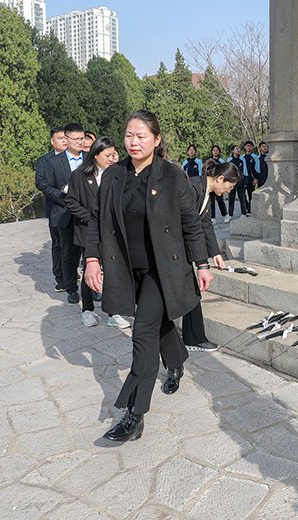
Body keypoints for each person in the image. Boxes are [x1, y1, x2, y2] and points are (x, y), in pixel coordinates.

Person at [85, 110, 213, 442]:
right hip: (127, 267)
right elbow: (97, 221)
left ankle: (135, 412)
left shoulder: (172, 176)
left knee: (143, 330)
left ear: (156, 140)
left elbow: (191, 224)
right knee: (159, 323)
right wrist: (93, 259)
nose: (134, 142)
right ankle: (177, 359)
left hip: (163, 268)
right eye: (129, 135)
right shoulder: (113, 176)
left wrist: (202, 264)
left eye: (141, 136)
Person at [65, 137, 130, 329]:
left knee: (112, 271)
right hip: (89, 231)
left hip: (113, 232)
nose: (112, 159)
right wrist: (91, 217)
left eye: (114, 155)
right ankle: (87, 310)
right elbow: (71, 202)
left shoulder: (119, 174)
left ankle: (113, 312)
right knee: (90, 269)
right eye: (107, 155)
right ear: (95, 155)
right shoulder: (80, 176)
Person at [182, 159, 241, 351]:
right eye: (229, 187)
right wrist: (202, 264)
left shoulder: (206, 191)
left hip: (181, 249)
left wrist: (214, 252)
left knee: (190, 293)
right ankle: (190, 339)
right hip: (172, 249)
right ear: (220, 179)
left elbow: (205, 224)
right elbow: (189, 226)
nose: (229, 191)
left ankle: (192, 338)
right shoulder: (192, 188)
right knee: (185, 293)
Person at [36, 122, 84, 304]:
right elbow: (44, 185)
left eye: (81, 138)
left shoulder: (89, 159)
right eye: (75, 139)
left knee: (89, 252)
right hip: (63, 212)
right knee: (67, 251)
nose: (79, 142)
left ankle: (91, 288)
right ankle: (69, 286)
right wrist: (63, 196)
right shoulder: (52, 162)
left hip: (86, 213)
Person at [35, 127, 67, 292]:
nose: (64, 140)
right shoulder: (44, 160)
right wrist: (60, 196)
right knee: (59, 244)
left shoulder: (77, 157)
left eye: (66, 137)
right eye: (60, 138)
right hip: (57, 207)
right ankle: (60, 278)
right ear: (52, 141)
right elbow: (41, 182)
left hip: (77, 207)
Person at [226, 145, 246, 221]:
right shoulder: (229, 160)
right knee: (231, 199)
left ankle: (244, 214)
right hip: (231, 182)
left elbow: (245, 171)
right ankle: (230, 215)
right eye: (236, 148)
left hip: (240, 182)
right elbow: (226, 171)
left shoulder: (242, 160)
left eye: (239, 148)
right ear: (233, 150)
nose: (238, 150)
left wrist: (245, 181)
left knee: (242, 198)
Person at [208, 145, 227, 223]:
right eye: (214, 150)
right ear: (212, 152)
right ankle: (212, 217)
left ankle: (225, 215)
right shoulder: (209, 161)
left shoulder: (222, 161)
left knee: (220, 200)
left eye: (217, 150)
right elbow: (206, 172)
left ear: (219, 152)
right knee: (211, 201)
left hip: (219, 184)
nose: (215, 152)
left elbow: (224, 172)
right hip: (211, 183)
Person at [242, 140, 259, 216]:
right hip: (243, 179)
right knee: (242, 195)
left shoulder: (255, 157)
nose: (249, 147)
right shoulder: (242, 157)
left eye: (250, 146)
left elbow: (257, 168)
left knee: (251, 195)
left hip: (251, 179)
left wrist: (256, 178)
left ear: (252, 147)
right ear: (245, 147)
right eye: (247, 146)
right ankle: (247, 207)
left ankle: (250, 210)